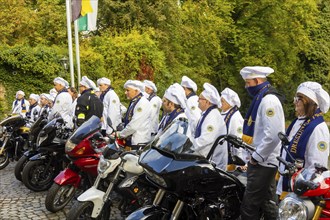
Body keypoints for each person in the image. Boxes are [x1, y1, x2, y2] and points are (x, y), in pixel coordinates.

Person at [239, 66, 285, 220]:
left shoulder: (268, 100)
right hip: (264, 161)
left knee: (249, 206)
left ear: (257, 81)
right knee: (267, 203)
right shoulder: (263, 97)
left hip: (263, 162)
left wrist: (256, 157)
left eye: (248, 83)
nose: (246, 87)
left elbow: (273, 135)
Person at [276, 81, 330, 199]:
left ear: (309, 102)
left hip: (301, 192)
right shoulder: (299, 121)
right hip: (286, 185)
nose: (295, 101)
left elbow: (317, 166)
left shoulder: (318, 127)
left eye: (299, 98)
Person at [190, 83, 228, 170]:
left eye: (200, 99)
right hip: (206, 159)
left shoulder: (212, 116)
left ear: (207, 101)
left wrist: (189, 146)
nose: (197, 101)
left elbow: (205, 139)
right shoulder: (207, 114)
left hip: (213, 163)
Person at [115, 80, 152, 148]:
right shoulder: (135, 101)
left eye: (128, 90)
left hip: (138, 142)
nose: (125, 92)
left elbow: (133, 126)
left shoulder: (142, 103)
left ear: (136, 91)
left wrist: (120, 134)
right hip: (132, 140)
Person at [220, 88, 246, 171]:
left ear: (229, 103)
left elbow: (238, 140)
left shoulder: (235, 117)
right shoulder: (224, 113)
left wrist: (240, 162)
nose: (220, 104)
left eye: (222, 101)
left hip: (231, 161)